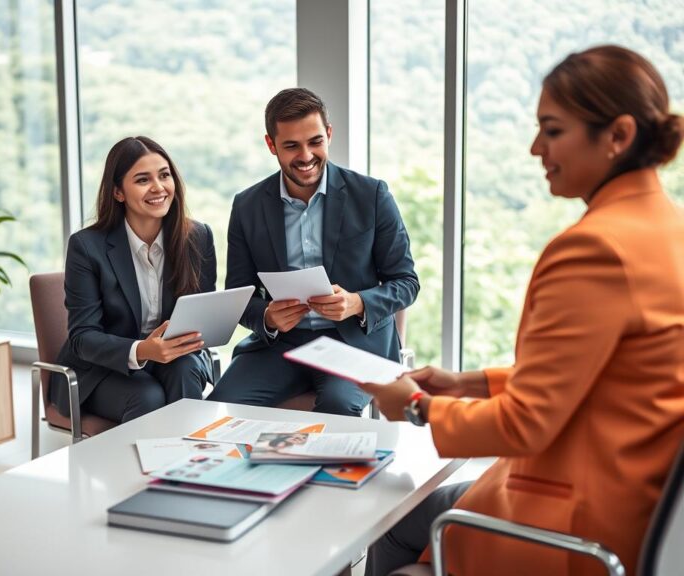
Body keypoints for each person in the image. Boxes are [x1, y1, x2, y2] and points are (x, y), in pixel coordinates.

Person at [359, 45, 684, 576]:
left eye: (552, 131)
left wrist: (417, 407)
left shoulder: (595, 248)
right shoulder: (670, 229)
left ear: (618, 136)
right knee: (408, 516)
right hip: (635, 507)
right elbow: (598, 374)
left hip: (575, 527)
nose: (536, 148)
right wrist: (466, 384)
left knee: (389, 521)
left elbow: (526, 424)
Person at [208, 88, 419, 416]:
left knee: (338, 406)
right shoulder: (247, 206)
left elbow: (406, 282)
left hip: (353, 344)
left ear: (329, 134)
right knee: (219, 407)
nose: (306, 156)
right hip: (279, 346)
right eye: (291, 145)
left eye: (315, 141)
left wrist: (357, 302)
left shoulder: (372, 195)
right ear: (271, 145)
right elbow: (239, 295)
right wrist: (267, 316)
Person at [50, 136, 216, 424]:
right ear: (118, 192)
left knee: (185, 370)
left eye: (164, 175)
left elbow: (204, 316)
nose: (158, 187)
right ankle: (146, 457)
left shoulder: (197, 237)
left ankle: (190, 452)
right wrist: (141, 350)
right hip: (101, 370)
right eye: (143, 180)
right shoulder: (86, 247)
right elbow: (83, 337)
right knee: (147, 395)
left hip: (175, 359)